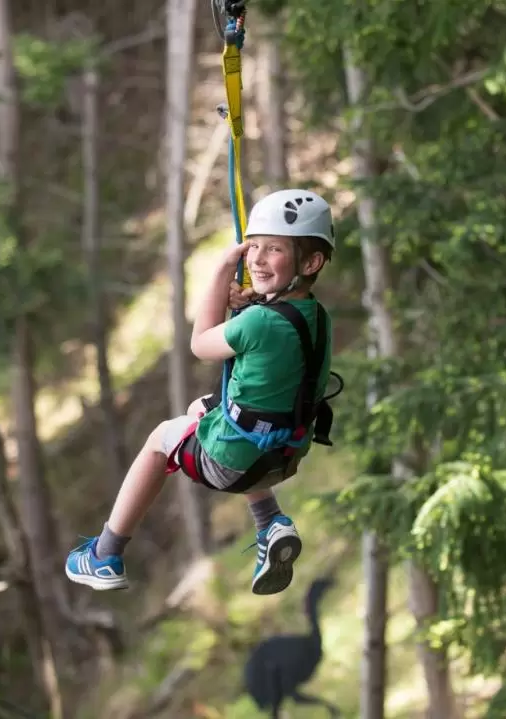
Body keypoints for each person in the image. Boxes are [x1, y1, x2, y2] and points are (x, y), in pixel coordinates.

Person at [64, 188, 336, 596]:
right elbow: (270, 349)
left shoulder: (259, 322)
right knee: (199, 409)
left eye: (274, 249)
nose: (258, 259)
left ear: (311, 261)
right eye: (254, 247)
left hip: (235, 461)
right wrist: (248, 306)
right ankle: (269, 522)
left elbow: (202, 344)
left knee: (159, 441)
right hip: (286, 453)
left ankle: (106, 553)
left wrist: (223, 271)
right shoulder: (315, 316)